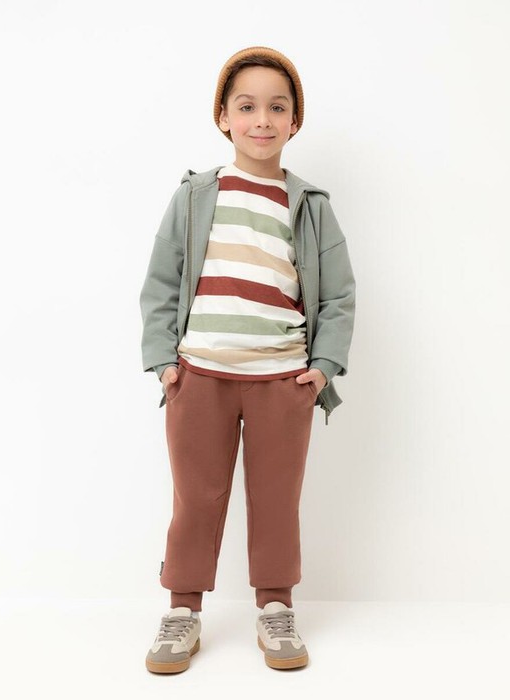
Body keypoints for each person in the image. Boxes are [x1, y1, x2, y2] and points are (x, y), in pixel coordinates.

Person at [139, 46, 356, 673]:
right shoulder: (194, 196)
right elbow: (161, 281)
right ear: (223, 117)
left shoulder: (309, 205)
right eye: (247, 106)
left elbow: (339, 296)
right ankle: (182, 611)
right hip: (199, 375)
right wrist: (164, 362)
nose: (262, 119)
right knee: (195, 498)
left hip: (281, 379)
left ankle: (276, 607)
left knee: (276, 498)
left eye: (277, 107)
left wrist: (323, 367)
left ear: (295, 121)